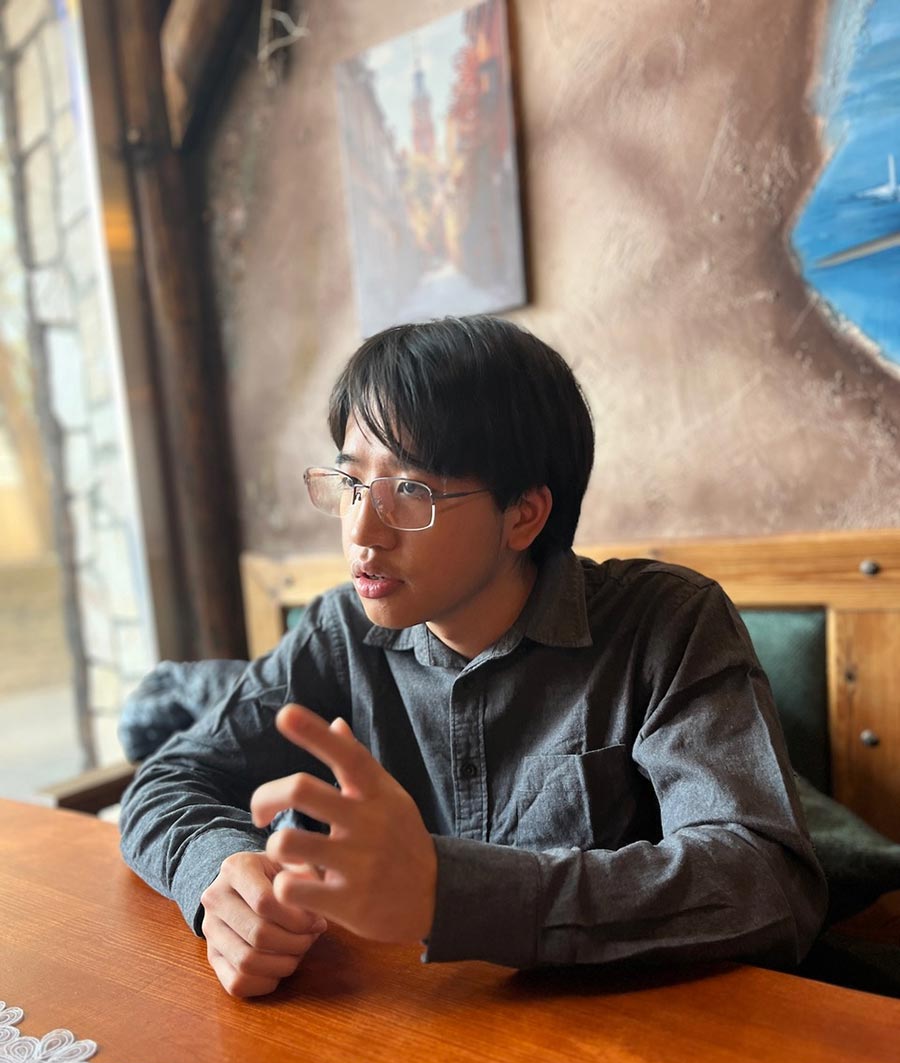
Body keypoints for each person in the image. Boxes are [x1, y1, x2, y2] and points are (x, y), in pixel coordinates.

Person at [119, 315, 827, 998]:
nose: (362, 530)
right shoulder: (338, 631)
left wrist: (449, 893)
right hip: (399, 1026)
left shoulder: (665, 624)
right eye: (352, 483)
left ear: (524, 514)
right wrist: (222, 875)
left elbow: (764, 881)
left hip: (626, 1038)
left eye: (411, 491)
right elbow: (168, 779)